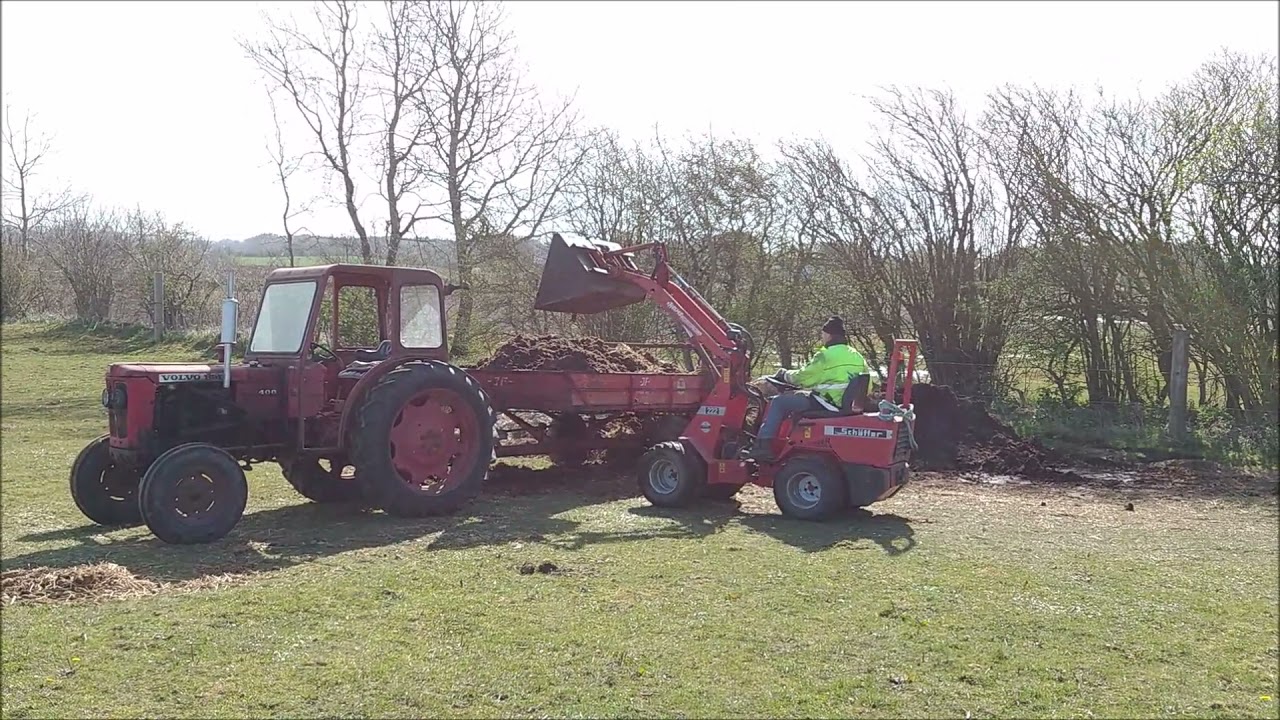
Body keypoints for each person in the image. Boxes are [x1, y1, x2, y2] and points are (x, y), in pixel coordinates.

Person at [747, 316, 867, 462]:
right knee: (797, 396)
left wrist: (784, 374)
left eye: (823, 334)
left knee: (779, 402)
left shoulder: (825, 355)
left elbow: (803, 377)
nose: (822, 337)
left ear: (828, 334)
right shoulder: (857, 356)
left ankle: (762, 446)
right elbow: (868, 384)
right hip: (844, 404)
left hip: (826, 403)